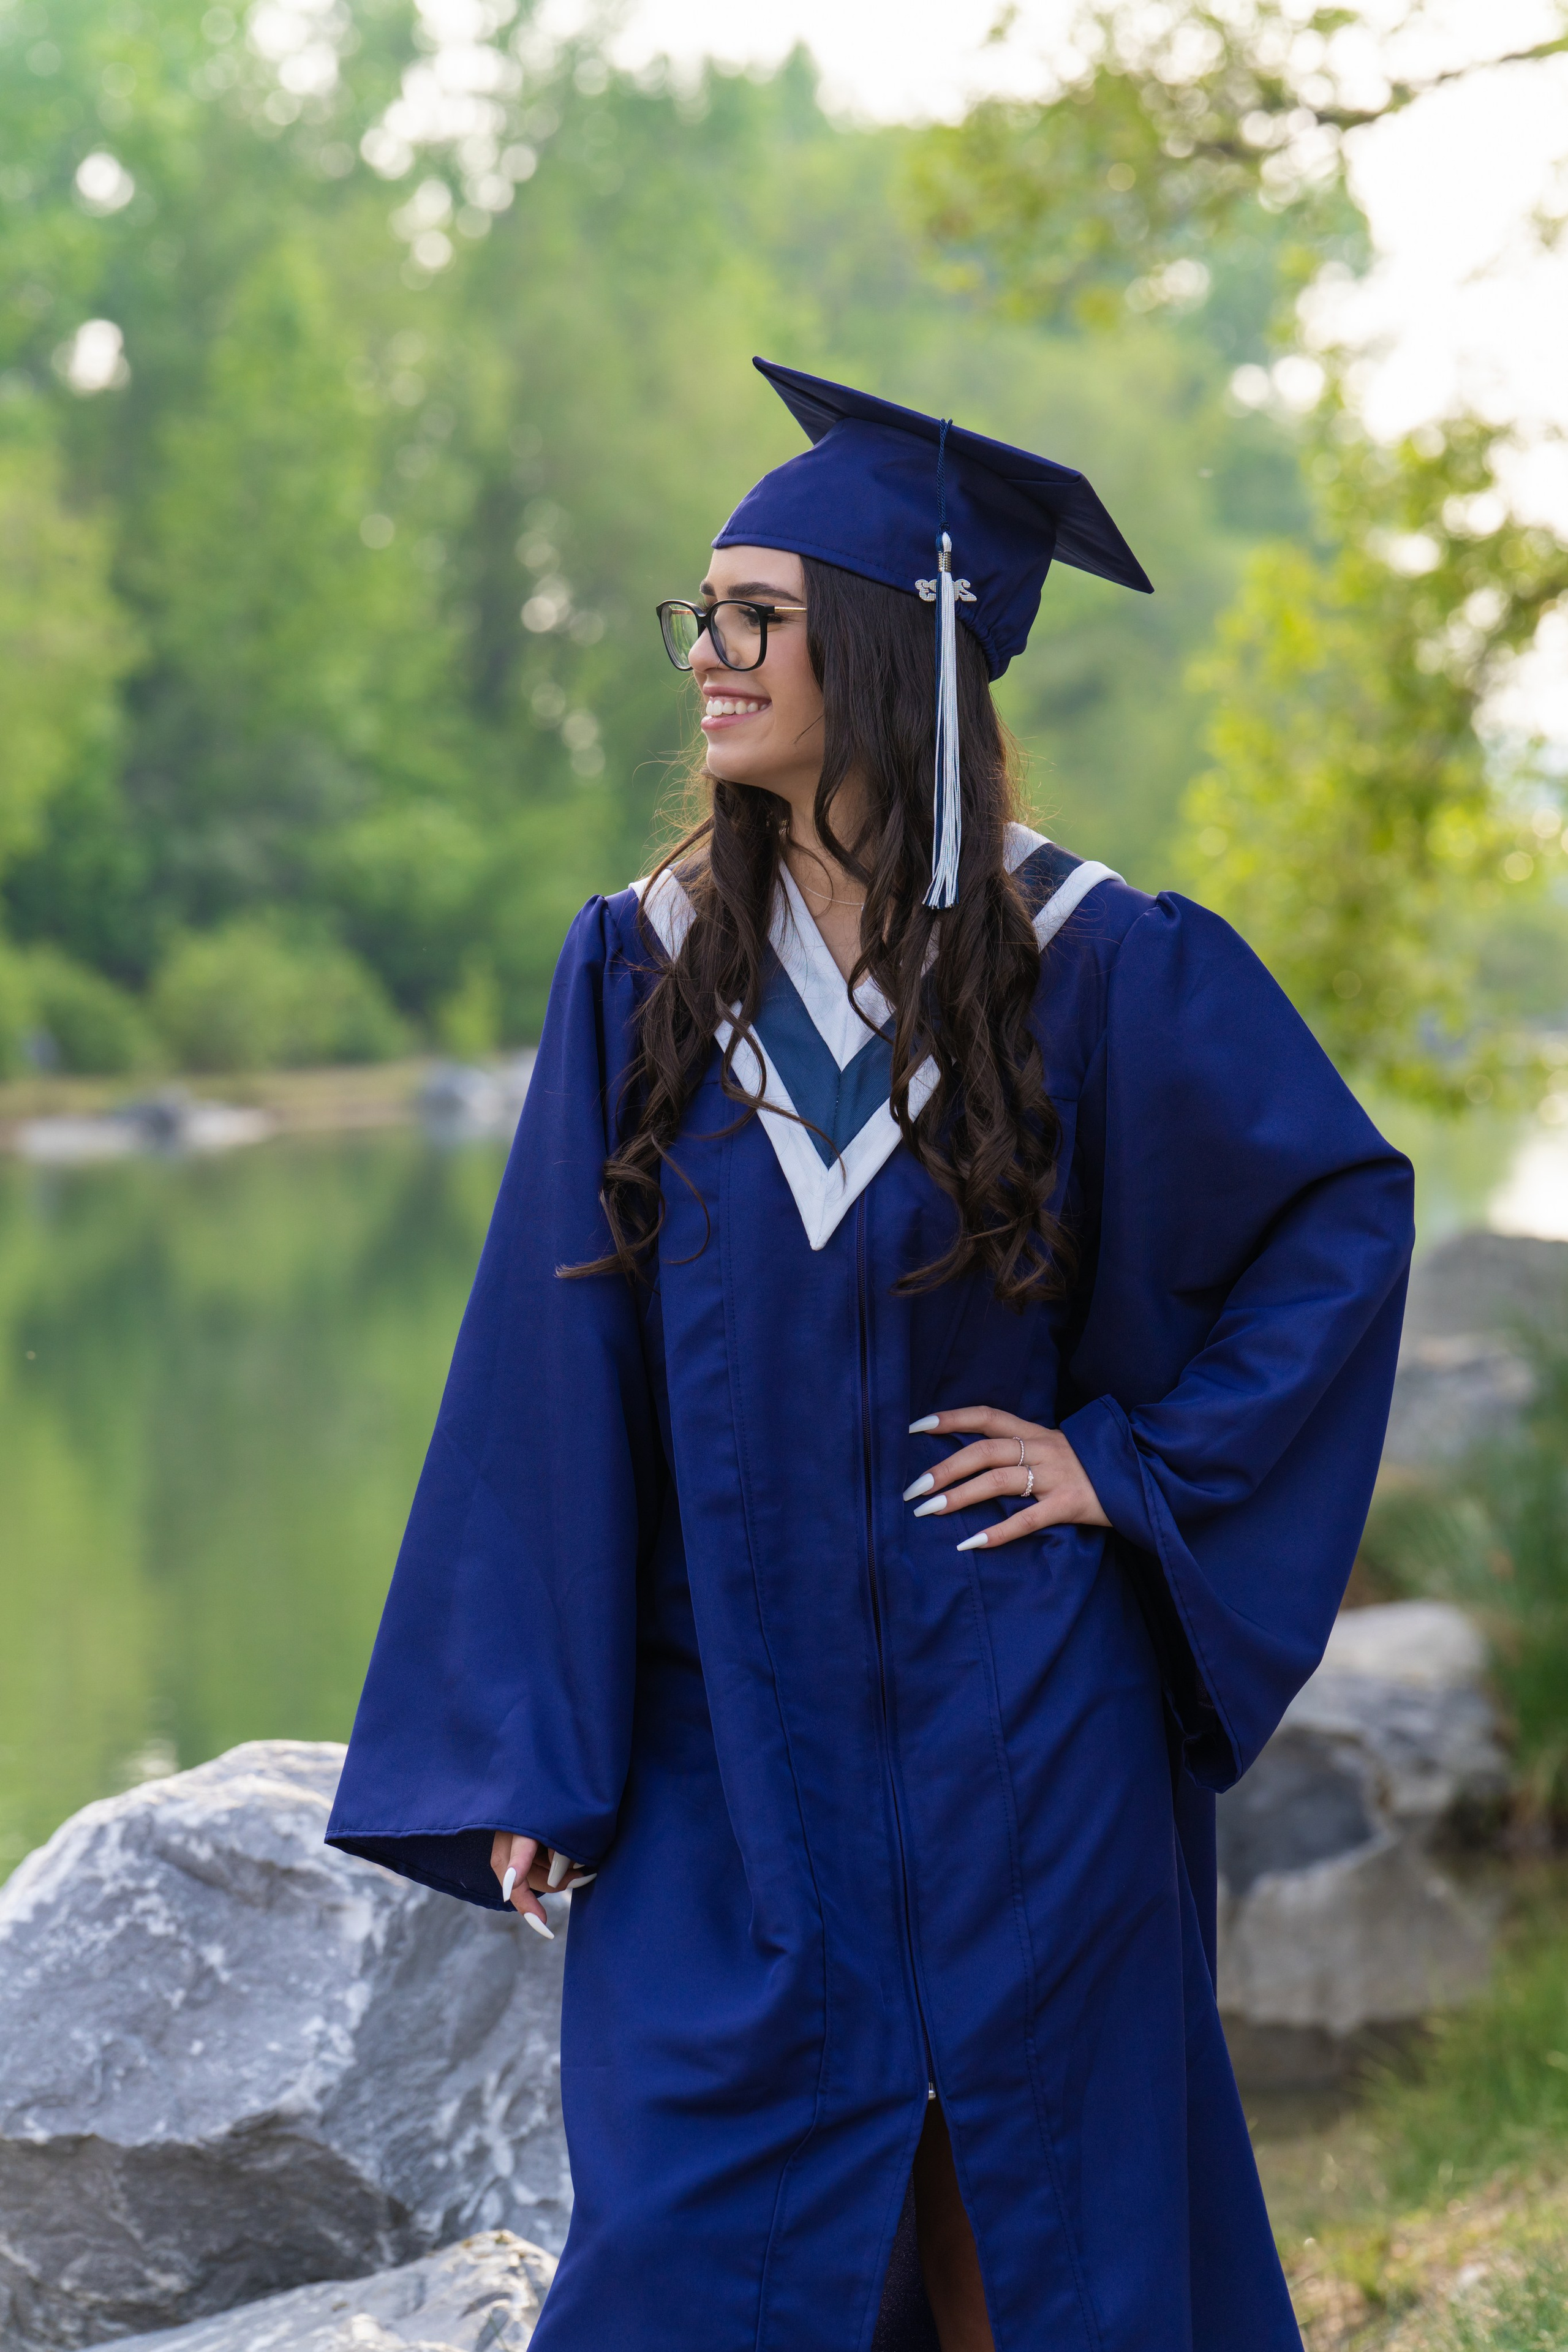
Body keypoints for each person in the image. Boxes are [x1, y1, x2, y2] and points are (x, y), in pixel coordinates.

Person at [328, 358, 1414, 2352]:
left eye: (757, 617)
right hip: (723, 1747)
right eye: (705, 613)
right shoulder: (643, 968)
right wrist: (536, 1743)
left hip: (1024, 1730)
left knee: (1036, 2239)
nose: (708, 655)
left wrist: (1129, 1466)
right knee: (696, 2248)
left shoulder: (1099, 962)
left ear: (889, 650)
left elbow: (1332, 1225)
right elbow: (554, 1367)